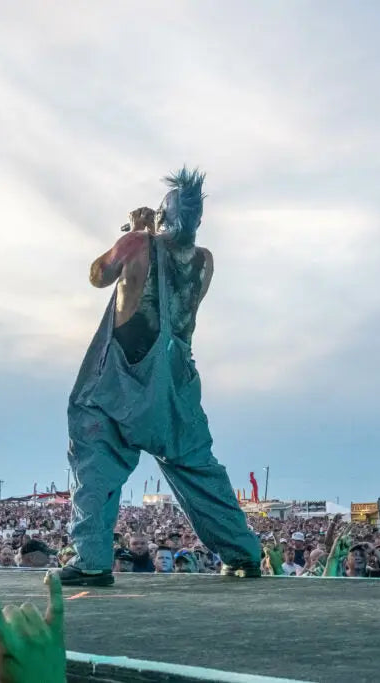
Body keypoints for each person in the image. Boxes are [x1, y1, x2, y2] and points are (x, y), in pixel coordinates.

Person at [62, 167, 261, 586]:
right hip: (176, 382)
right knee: (197, 468)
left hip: (123, 377)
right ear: (198, 219)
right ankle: (242, 554)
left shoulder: (137, 243)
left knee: (96, 456)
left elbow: (98, 276)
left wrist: (138, 229)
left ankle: (92, 560)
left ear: (163, 214)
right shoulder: (205, 262)